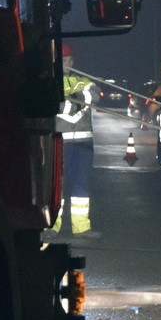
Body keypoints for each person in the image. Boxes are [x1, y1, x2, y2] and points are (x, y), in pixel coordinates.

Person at [51, 43, 101, 239]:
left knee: (81, 187)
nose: (69, 63)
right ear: (56, 62)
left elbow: (94, 94)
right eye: (64, 60)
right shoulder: (51, 82)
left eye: (70, 60)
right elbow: (56, 105)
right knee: (57, 188)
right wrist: (75, 101)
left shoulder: (82, 80)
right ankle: (52, 228)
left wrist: (76, 97)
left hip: (83, 144)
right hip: (59, 143)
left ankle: (81, 228)